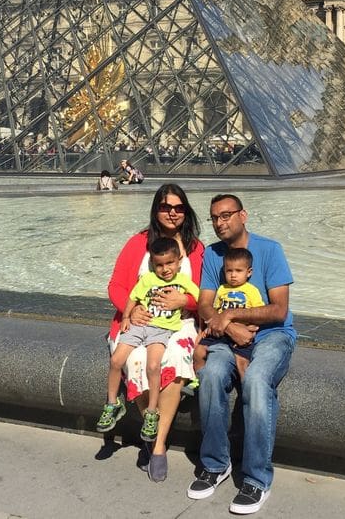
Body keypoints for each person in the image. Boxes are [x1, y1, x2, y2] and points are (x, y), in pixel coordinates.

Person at [188, 194, 296, 515]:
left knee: (258, 380)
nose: (220, 223)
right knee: (209, 375)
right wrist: (230, 328)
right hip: (227, 336)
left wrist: (233, 318)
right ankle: (216, 463)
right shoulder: (212, 255)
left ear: (243, 215)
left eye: (226, 216)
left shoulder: (270, 250)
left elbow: (279, 310)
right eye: (214, 218)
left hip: (273, 336)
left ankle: (257, 479)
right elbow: (206, 305)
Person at [106, 184, 204, 482]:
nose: (172, 213)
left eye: (178, 207)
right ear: (156, 209)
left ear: (185, 211)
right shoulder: (137, 243)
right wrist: (130, 310)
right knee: (135, 362)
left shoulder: (197, 248)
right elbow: (116, 286)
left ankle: (157, 444)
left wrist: (183, 301)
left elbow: (204, 295)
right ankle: (151, 434)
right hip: (139, 322)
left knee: (172, 361)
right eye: (165, 207)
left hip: (181, 323)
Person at [98, 237, 200, 443]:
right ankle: (112, 403)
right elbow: (131, 296)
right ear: (152, 263)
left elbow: (201, 299)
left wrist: (184, 301)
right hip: (139, 326)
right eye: (159, 264)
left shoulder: (182, 280)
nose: (165, 269)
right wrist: (127, 316)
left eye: (169, 263)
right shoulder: (147, 279)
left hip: (161, 330)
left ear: (179, 262)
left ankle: (152, 411)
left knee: (153, 365)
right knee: (117, 360)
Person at [192, 246, 264, 381]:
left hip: (241, 331)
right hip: (219, 330)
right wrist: (208, 326)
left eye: (238, 271)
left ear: (249, 272)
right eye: (229, 271)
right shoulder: (222, 289)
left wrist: (252, 328)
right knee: (199, 352)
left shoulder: (251, 290)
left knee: (242, 363)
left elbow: (257, 312)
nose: (233, 275)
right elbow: (215, 311)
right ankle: (199, 381)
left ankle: (245, 391)